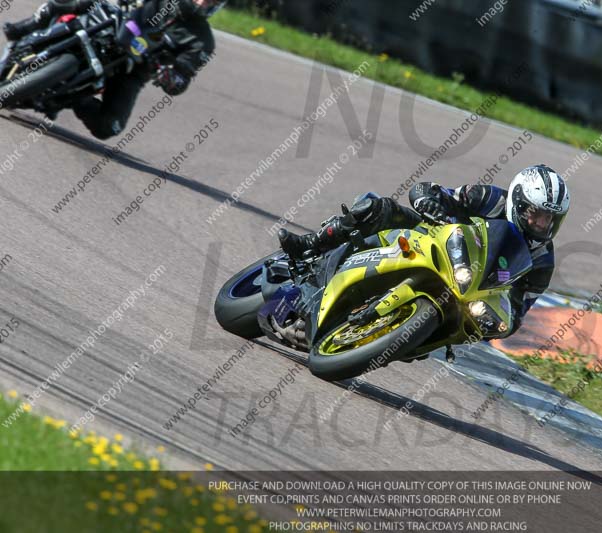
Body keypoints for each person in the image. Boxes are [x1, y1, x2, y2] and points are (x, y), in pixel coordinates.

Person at [278, 165, 570, 335]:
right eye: (535, 213)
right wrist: (434, 206)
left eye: (548, 219)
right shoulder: (489, 198)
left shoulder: (543, 261)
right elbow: (427, 189)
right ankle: (311, 243)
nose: (540, 223)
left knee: (454, 331)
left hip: (465, 292)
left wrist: (496, 323)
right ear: (517, 202)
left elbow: (517, 313)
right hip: (434, 242)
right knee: (377, 208)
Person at [3, 0, 219, 139]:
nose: (203, 2)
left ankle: (75, 97)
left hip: (133, 69)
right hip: (113, 24)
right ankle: (27, 27)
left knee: (110, 127)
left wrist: (172, 78)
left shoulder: (202, 41)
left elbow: (183, 77)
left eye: (211, 1)